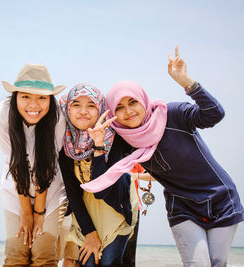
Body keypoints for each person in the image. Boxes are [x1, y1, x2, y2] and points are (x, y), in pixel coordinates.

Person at [82, 46, 244, 267]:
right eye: (119, 107)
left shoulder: (173, 114)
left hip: (221, 198)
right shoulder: (125, 139)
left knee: (218, 263)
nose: (128, 111)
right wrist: (99, 145)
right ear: (112, 113)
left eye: (132, 102)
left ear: (143, 100)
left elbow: (215, 114)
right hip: (183, 207)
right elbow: (101, 188)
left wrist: (186, 81)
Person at [0, 63, 68, 267]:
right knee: (17, 253)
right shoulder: (1, 114)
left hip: (50, 191)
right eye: (26, 96)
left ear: (50, 99)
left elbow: (47, 166)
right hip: (16, 190)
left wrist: (39, 213)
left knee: (43, 253)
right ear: (15, 95)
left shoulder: (57, 116)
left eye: (42, 97)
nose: (34, 105)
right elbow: (16, 163)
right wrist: (26, 212)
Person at [58, 83, 139, 267]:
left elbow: (102, 190)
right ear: (67, 108)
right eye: (76, 104)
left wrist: (99, 146)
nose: (83, 111)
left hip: (116, 208)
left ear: (101, 108)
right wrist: (89, 233)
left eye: (91, 105)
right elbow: (73, 192)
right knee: (88, 263)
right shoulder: (66, 143)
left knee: (110, 262)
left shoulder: (115, 138)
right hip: (85, 211)